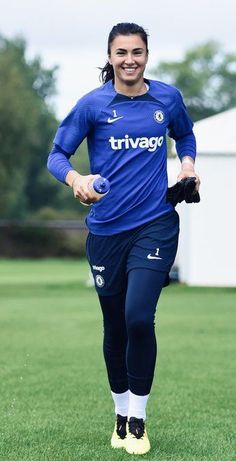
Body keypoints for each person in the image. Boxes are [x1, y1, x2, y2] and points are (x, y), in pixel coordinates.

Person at [47, 22, 200, 455]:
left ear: (146, 55)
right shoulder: (93, 105)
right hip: (105, 231)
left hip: (156, 223)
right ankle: (119, 413)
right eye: (121, 53)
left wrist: (186, 166)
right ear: (110, 57)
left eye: (137, 52)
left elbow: (185, 133)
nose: (129, 60)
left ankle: (138, 420)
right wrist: (76, 178)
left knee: (137, 316)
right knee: (115, 325)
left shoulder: (166, 98)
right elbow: (56, 155)